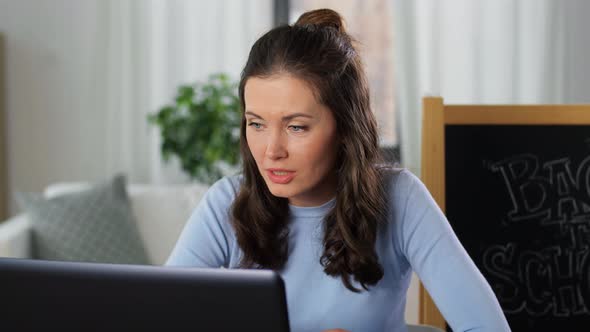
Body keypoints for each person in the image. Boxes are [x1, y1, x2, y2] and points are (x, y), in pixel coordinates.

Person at [166, 8, 510, 332]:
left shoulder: (400, 198)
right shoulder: (225, 203)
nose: (271, 151)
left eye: (296, 127)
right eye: (256, 124)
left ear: (345, 128)